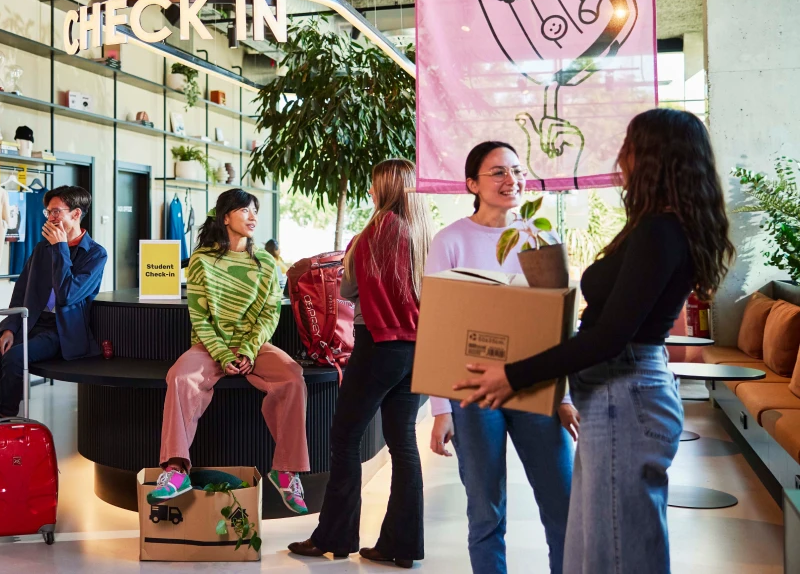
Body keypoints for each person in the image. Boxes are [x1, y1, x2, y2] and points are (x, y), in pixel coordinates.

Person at [455, 109, 735, 573]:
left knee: (617, 554)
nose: (620, 156)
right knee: (599, 549)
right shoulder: (659, 227)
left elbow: (608, 335)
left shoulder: (660, 231)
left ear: (653, 156)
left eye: (630, 145)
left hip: (626, 397)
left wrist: (514, 374)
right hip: (617, 395)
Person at [427, 141, 579, 574]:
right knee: (486, 510)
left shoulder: (541, 238)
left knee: (561, 502)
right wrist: (441, 410)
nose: (510, 179)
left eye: (515, 170)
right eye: (497, 172)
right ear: (472, 183)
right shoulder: (450, 241)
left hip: (536, 384)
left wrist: (564, 396)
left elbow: (558, 324)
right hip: (472, 390)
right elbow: (437, 326)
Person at [289, 159, 431, 567]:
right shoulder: (424, 235)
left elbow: (347, 289)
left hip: (378, 344)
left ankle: (334, 538)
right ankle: (401, 546)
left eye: (373, 185)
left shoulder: (371, 233)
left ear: (383, 188)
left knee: (345, 438)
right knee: (404, 443)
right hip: (416, 350)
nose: (370, 192)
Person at [146, 189, 310, 514]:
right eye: (245, 211)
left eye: (255, 212)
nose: (253, 217)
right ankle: (176, 470)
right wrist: (222, 354)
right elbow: (199, 316)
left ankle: (285, 470)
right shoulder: (202, 261)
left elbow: (269, 314)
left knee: (293, 376)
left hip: (254, 345)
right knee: (179, 376)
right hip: (210, 345)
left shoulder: (265, 263)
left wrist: (249, 350)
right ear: (225, 217)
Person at [0, 185, 107, 462]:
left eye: (56, 212)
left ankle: (5, 424)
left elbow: (67, 295)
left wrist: (61, 247)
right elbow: (23, 290)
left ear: (76, 214)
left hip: (61, 331)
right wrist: (8, 329)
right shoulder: (42, 248)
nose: (50, 218)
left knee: (16, 358)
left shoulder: (95, 254)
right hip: (30, 323)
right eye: (48, 212)